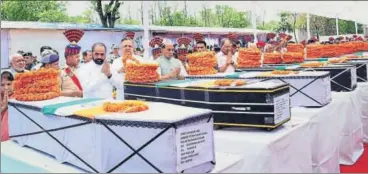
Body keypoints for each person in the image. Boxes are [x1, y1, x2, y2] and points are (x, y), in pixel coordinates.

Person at [60, 29, 84, 98]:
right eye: (77, 57)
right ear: (69, 57)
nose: (79, 59)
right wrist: (72, 93)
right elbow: (56, 92)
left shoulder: (84, 69)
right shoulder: (60, 71)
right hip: (67, 104)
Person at [1, 71, 14, 142]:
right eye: (2, 85)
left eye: (9, 84)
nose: (6, 87)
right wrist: (4, 107)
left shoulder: (18, 97)